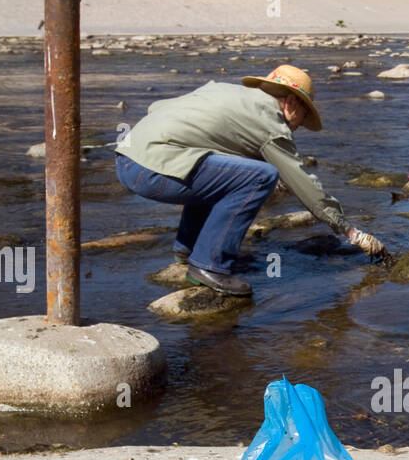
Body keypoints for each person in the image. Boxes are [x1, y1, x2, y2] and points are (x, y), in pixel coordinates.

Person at [115, 63, 384, 296]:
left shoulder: (224, 91)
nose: (300, 126)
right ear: (292, 103)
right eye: (304, 117)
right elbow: (302, 183)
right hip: (150, 171)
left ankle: (188, 250)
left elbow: (158, 108)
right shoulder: (270, 121)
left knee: (225, 171)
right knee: (261, 176)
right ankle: (209, 265)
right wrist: (350, 231)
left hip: (127, 160)